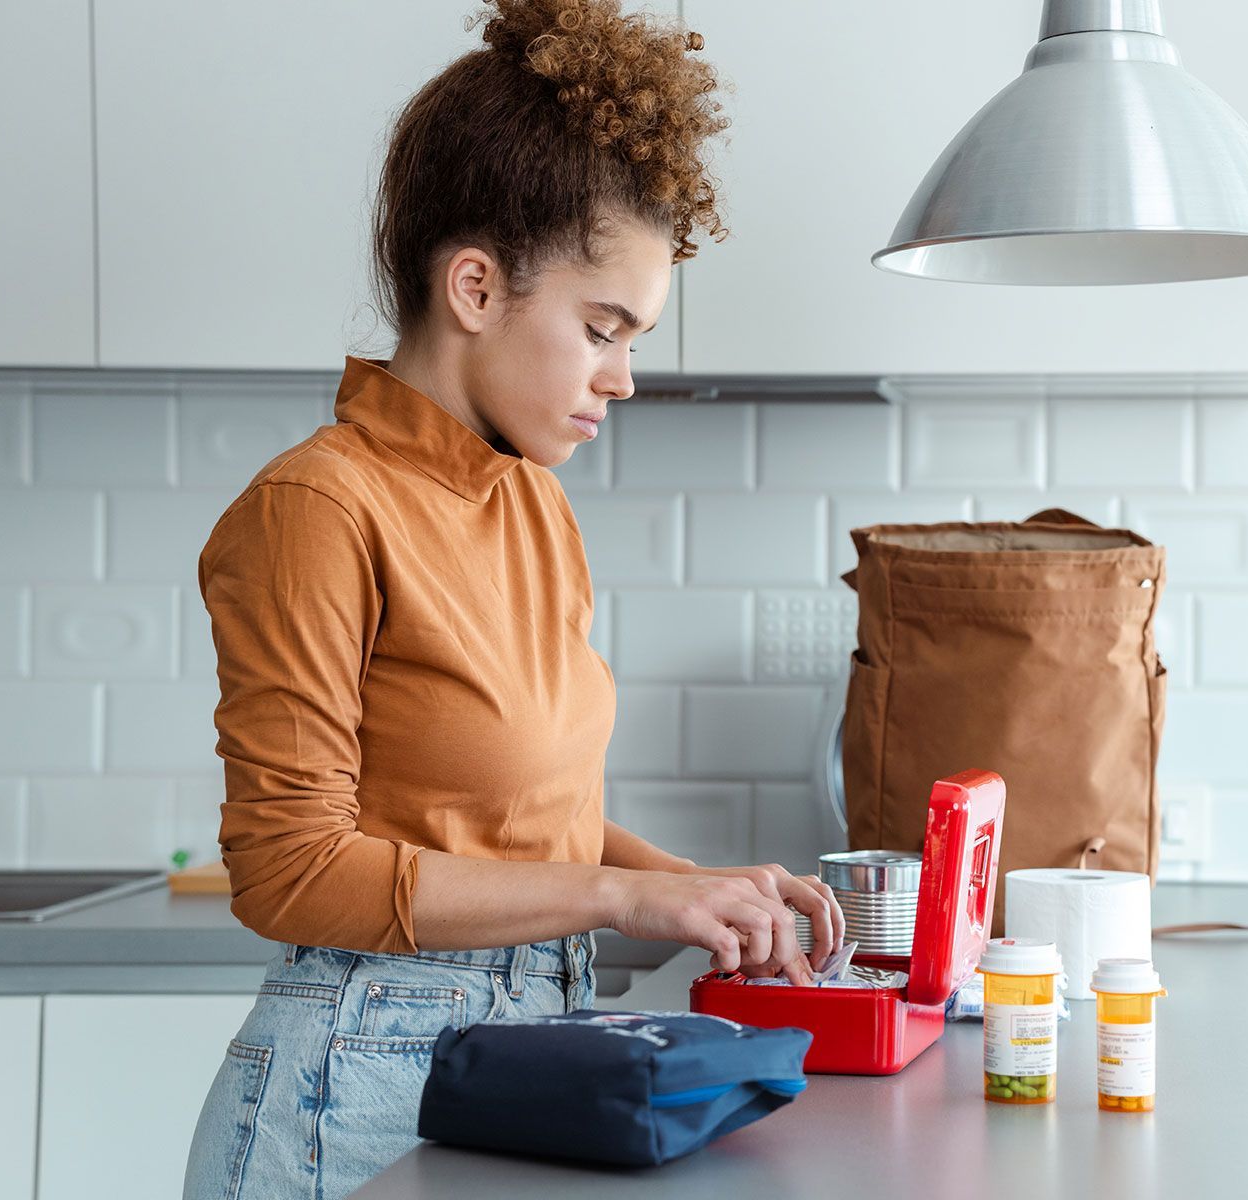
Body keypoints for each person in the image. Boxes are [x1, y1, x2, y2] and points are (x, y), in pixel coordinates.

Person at [181, 4, 841, 1195]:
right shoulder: (318, 509)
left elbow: (522, 827)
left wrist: (700, 891)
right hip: (351, 1084)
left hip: (518, 1057)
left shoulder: (533, 507)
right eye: (601, 329)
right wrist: (626, 893)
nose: (623, 377)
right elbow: (288, 870)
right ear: (476, 287)